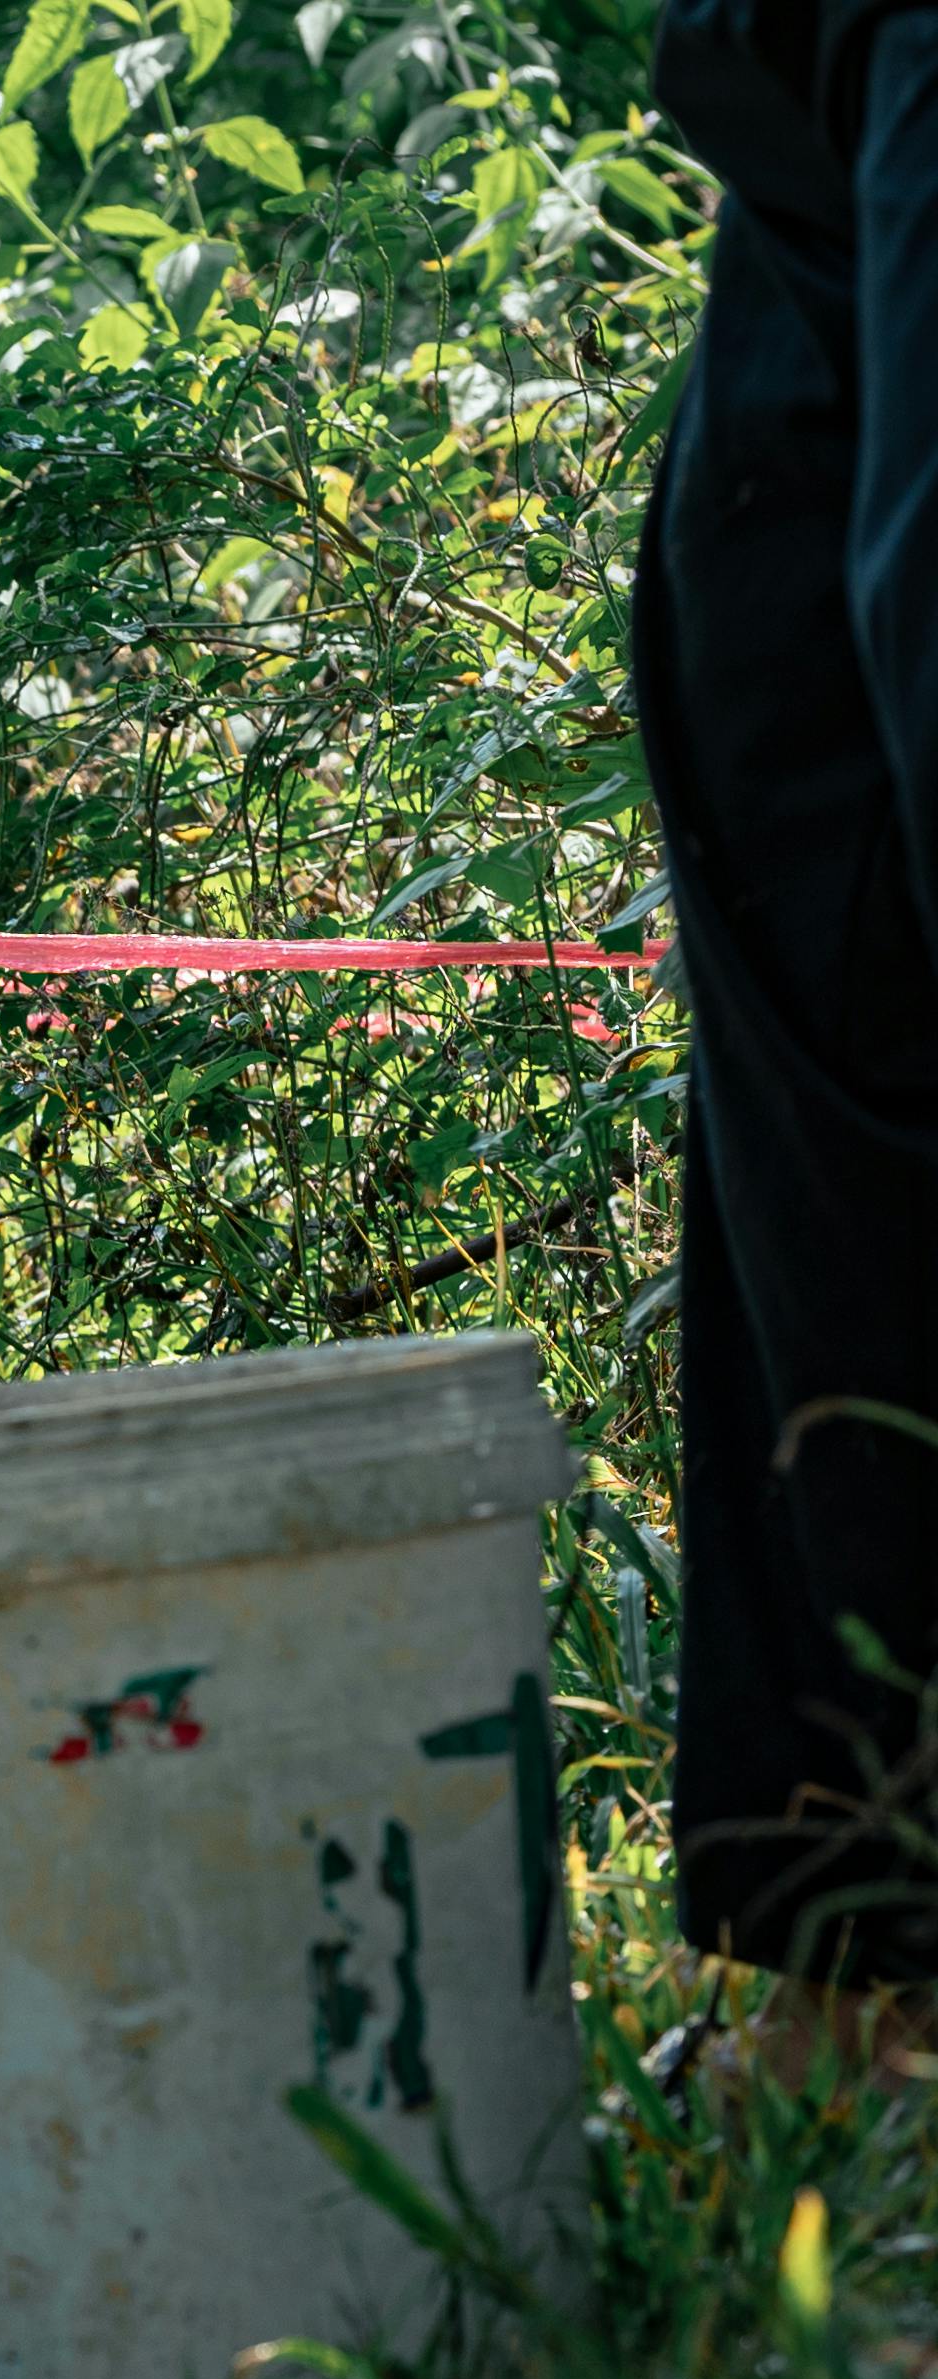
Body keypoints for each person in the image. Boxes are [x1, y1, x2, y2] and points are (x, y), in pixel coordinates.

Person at [637, 0, 938, 2063]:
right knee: (836, 1339)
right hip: (838, 808)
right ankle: (861, 1990)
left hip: (868, 824)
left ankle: (873, 1991)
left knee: (873, 1330)